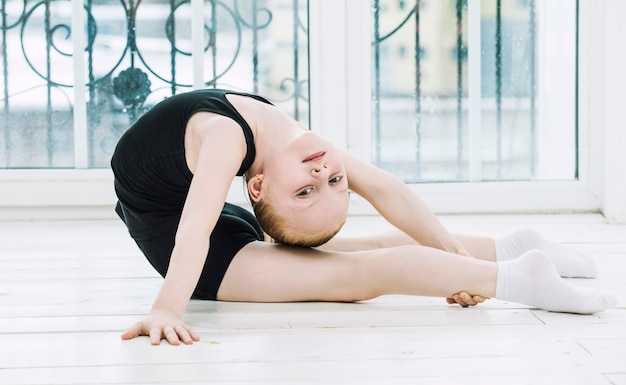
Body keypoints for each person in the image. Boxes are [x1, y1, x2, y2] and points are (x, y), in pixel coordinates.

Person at [111, 89, 616, 346]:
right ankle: (511, 274)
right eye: (312, 188)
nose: (327, 173)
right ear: (257, 187)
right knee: (357, 273)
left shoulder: (289, 145)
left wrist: (451, 253)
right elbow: (192, 230)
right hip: (197, 249)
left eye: (331, 183)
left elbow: (386, 189)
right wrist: (166, 310)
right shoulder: (233, 139)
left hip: (221, 224)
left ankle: (503, 251)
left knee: (361, 256)